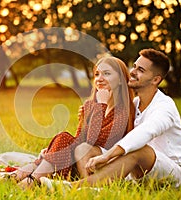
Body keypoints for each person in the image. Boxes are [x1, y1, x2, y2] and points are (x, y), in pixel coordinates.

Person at [41, 48, 181, 188]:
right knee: (84, 149)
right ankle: (95, 189)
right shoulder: (134, 104)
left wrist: (108, 156)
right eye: (134, 66)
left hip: (174, 171)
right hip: (136, 170)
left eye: (140, 70)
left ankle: (76, 187)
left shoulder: (164, 106)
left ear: (155, 80)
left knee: (139, 150)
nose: (132, 72)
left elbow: (147, 131)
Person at [15, 56, 135, 188]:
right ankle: (24, 178)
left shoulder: (124, 110)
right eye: (97, 74)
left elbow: (97, 141)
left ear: (120, 80)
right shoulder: (90, 105)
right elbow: (79, 139)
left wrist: (101, 106)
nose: (99, 78)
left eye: (106, 73)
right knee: (63, 138)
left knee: (78, 148)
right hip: (80, 161)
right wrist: (52, 151)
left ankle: (31, 180)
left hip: (102, 163)